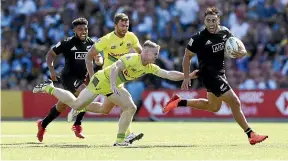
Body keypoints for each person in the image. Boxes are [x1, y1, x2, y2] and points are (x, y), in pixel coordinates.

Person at [33, 40, 198, 146]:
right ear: (146, 52)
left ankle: (120, 140)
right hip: (102, 81)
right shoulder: (132, 58)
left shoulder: (148, 66)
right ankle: (49, 88)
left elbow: (167, 74)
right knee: (76, 103)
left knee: (122, 108)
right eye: (155, 54)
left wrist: (187, 75)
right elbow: (116, 68)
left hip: (114, 85)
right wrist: (113, 84)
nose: (156, 57)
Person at [163, 7, 268, 145]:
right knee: (235, 102)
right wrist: (186, 76)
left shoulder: (225, 32)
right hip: (209, 75)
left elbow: (238, 47)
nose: (211, 23)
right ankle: (251, 134)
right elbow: (187, 57)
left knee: (214, 107)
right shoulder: (198, 38)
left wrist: (242, 53)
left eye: (214, 20)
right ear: (204, 21)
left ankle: (179, 101)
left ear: (218, 20)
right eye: (208, 20)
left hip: (220, 73)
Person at [67, 13, 143, 138]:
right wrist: (92, 76)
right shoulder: (107, 39)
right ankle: (126, 135)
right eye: (122, 25)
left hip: (119, 80)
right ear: (115, 25)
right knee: (127, 106)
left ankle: (80, 107)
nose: (125, 28)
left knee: (105, 109)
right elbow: (88, 56)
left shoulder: (131, 37)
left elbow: (140, 54)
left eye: (127, 26)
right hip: (107, 78)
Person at [36, 18, 103, 142]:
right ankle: (77, 124)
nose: (83, 31)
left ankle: (43, 124)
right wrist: (51, 70)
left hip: (82, 78)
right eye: (80, 29)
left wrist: (99, 60)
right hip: (68, 77)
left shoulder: (91, 43)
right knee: (84, 94)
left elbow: (98, 57)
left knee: (61, 105)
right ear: (74, 30)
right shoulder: (67, 43)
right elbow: (50, 54)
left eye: (85, 29)